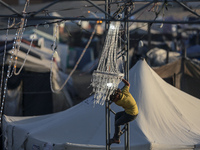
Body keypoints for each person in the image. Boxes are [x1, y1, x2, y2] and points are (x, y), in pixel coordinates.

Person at [109, 78, 139, 144]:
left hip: (131, 114)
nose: (113, 101)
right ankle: (118, 132)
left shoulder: (119, 102)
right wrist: (121, 78)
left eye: (114, 99)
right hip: (132, 111)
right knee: (117, 115)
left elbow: (111, 100)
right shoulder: (125, 92)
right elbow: (128, 84)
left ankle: (116, 139)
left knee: (117, 123)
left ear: (116, 97)